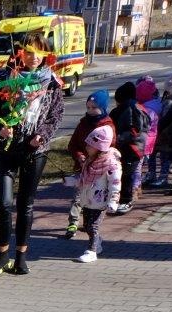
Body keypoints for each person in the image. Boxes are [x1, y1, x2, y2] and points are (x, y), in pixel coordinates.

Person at [0, 34, 65, 276]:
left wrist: (42, 135)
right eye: (29, 51)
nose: (34, 57)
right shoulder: (7, 78)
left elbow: (56, 116)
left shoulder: (52, 83)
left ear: (46, 55)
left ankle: (21, 257)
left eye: (39, 52)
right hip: (7, 149)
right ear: (20, 53)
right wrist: (0, 128)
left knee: (25, 205)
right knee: (4, 204)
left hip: (34, 151)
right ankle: (2, 256)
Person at [63, 90, 115, 238]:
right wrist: (79, 156)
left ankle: (91, 224)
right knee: (78, 195)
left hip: (99, 170)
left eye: (94, 107)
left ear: (103, 108)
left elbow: (110, 147)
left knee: (93, 198)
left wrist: (97, 159)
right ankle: (73, 222)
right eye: (88, 107)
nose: (90, 110)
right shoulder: (83, 123)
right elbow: (73, 144)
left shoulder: (107, 126)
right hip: (82, 167)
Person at [70, 125, 122, 264]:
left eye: (90, 145)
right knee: (87, 226)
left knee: (93, 226)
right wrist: (72, 181)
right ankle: (97, 242)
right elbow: (84, 179)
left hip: (100, 202)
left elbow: (115, 184)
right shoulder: (90, 161)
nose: (87, 147)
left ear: (100, 147)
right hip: (88, 199)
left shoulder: (111, 164)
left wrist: (113, 200)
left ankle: (91, 251)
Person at [108, 82, 148, 214]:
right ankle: (116, 199)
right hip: (124, 147)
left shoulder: (132, 110)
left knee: (126, 175)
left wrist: (117, 138)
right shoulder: (126, 109)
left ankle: (126, 200)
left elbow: (134, 131)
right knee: (118, 174)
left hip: (132, 149)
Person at [145, 71, 172, 187]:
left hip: (165, 132)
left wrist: (160, 130)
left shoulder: (170, 101)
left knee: (163, 155)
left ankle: (161, 176)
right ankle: (160, 175)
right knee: (164, 155)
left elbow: (165, 118)